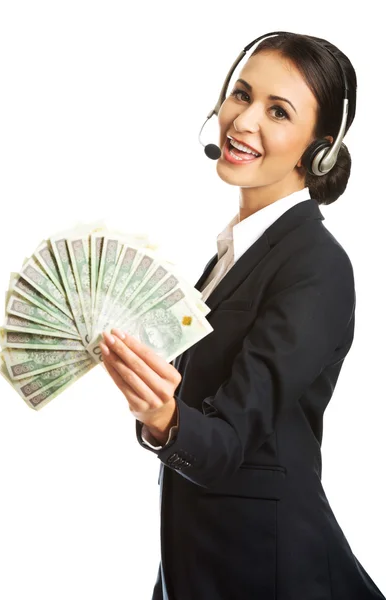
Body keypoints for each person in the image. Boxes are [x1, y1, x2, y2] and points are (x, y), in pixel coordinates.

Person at [99, 32, 385, 600]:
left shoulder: (317, 267)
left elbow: (229, 440)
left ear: (319, 148)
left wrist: (162, 417)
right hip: (196, 566)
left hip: (271, 573)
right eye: (241, 94)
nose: (244, 121)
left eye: (278, 111)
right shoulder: (231, 255)